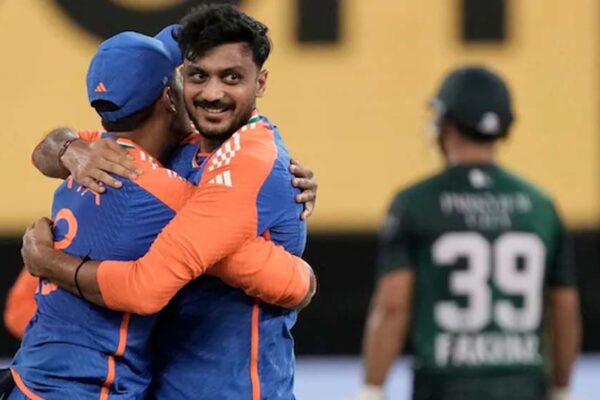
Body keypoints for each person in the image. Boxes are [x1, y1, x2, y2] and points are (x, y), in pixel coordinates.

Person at [22, 4, 317, 399]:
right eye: (198, 76)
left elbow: (146, 287)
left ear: (260, 82)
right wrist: (69, 149)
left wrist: (48, 263)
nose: (212, 93)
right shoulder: (173, 148)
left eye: (231, 77)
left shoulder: (250, 163)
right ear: (178, 83)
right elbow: (52, 149)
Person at [358, 66, 581, 400]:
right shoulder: (540, 206)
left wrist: (372, 388)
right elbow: (564, 309)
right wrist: (561, 387)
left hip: (444, 387)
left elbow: (393, 305)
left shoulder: (415, 203)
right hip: (522, 386)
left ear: (446, 124)